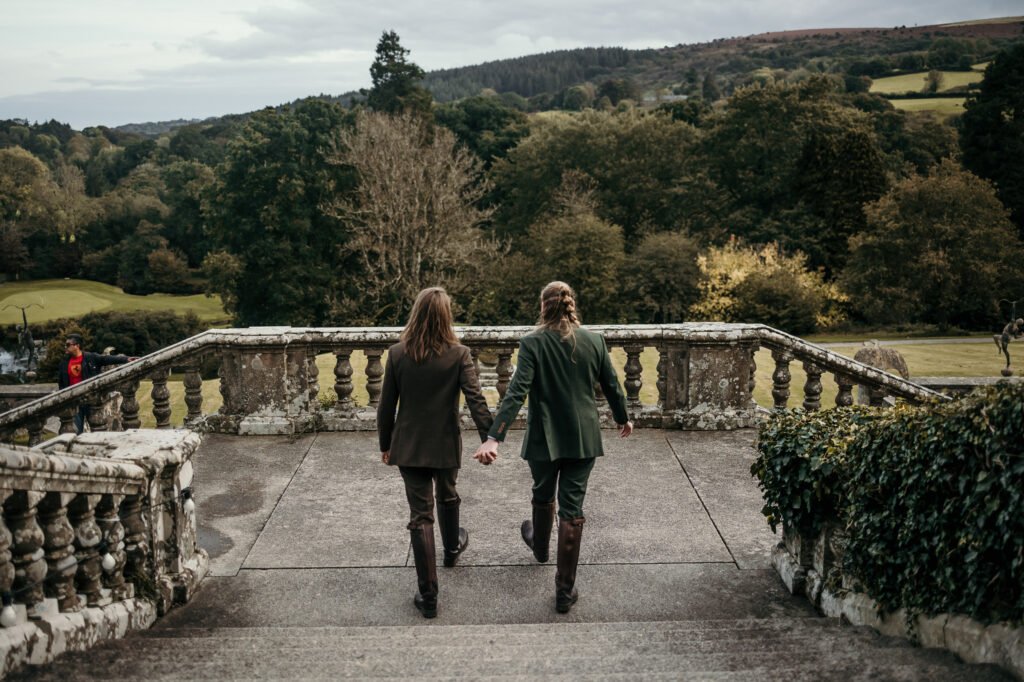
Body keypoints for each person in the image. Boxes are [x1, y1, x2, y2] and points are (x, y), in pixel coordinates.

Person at [473, 281, 633, 614]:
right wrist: (623, 418)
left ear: (543, 307)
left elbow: (515, 393)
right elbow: (613, 386)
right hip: (583, 437)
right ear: (571, 304)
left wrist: (494, 437)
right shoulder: (595, 341)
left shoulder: (532, 343)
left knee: (543, 493)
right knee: (572, 509)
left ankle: (540, 549)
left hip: (543, 439)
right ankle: (564, 591)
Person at [377, 287, 493, 618]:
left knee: (420, 515)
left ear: (416, 313)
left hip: (409, 445)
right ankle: (452, 549)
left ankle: (428, 596)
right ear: (446, 316)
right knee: (447, 493)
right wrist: (490, 437)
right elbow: (476, 399)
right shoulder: (459, 354)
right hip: (444, 443)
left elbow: (386, 407)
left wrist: (385, 444)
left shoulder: (398, 354)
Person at [57, 333, 135, 433]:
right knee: (76, 431)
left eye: (68, 345)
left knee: (97, 428)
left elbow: (106, 359)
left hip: (91, 400)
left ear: (77, 346)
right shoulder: (64, 363)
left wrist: (126, 359)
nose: (65, 347)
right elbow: (62, 384)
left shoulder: (90, 358)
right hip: (74, 402)